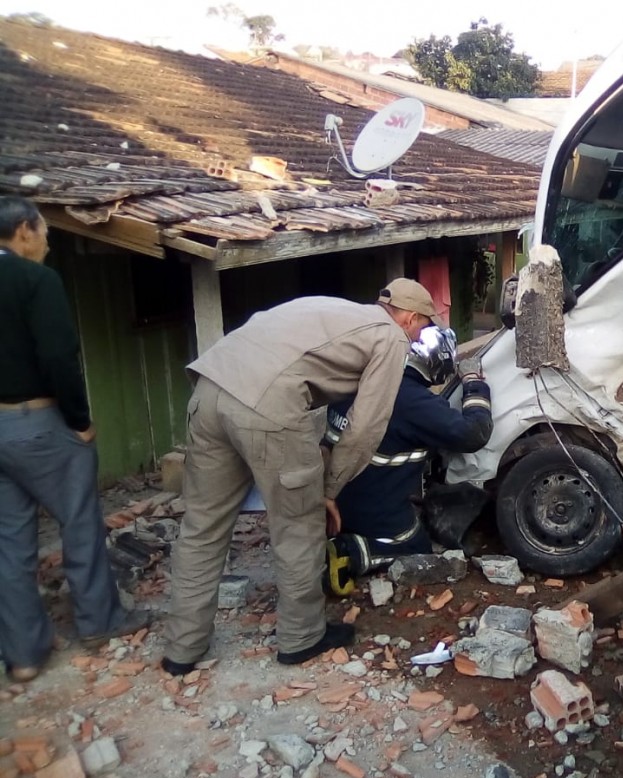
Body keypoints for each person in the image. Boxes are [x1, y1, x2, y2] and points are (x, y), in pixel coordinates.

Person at [160, 278, 441, 675]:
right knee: (298, 523)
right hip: (265, 407)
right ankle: (301, 638)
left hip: (207, 391)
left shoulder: (333, 310)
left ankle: (181, 649)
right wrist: (328, 489)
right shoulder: (391, 338)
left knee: (202, 526)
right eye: (422, 328)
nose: (419, 338)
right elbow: (366, 426)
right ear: (410, 318)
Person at [0, 196, 150, 683]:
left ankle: (24, 655)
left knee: (9, 543)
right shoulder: (34, 280)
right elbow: (59, 356)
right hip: (38, 422)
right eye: (45, 230)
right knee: (80, 522)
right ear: (23, 231)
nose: (47, 240)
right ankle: (100, 621)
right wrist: (80, 420)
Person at [322, 327, 492, 594]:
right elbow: (474, 434)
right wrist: (474, 383)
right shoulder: (412, 400)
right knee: (415, 545)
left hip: (331, 500)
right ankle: (349, 553)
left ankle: (333, 537)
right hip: (368, 505)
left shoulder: (357, 379)